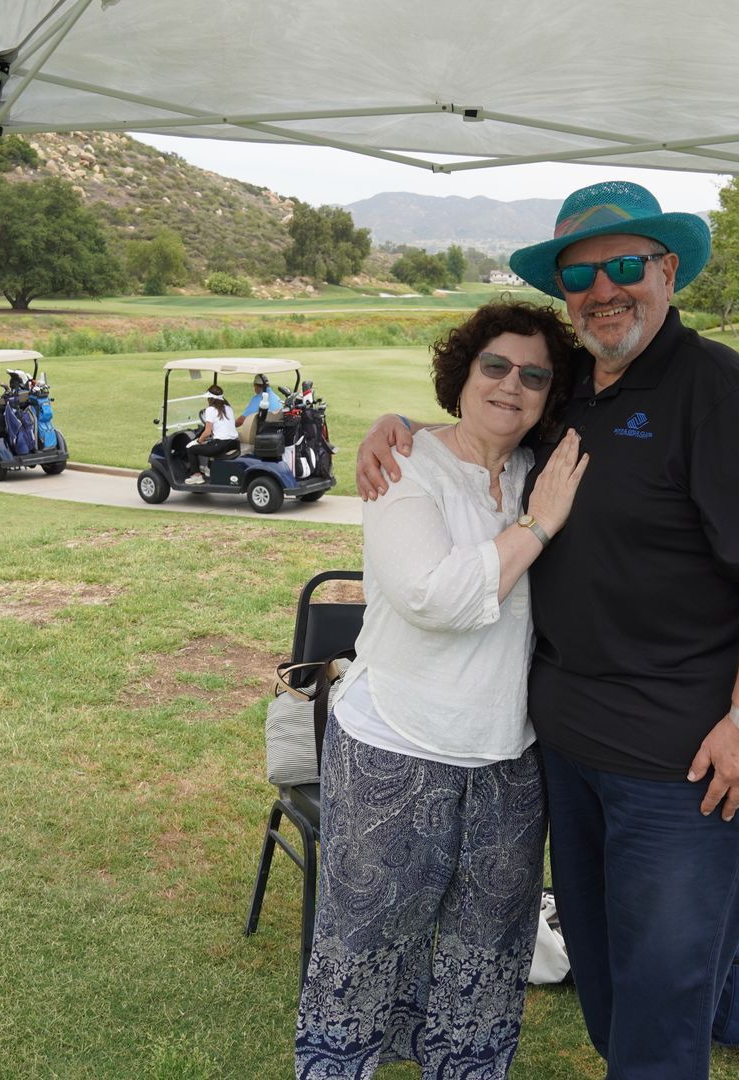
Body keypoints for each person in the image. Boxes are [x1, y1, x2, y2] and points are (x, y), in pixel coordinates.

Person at [354, 181, 739, 1079]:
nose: (604, 290)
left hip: (689, 759)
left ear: (667, 269)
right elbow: (494, 415)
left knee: (664, 990)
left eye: (624, 265)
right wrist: (401, 427)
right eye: (579, 274)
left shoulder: (721, 393)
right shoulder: (573, 386)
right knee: (604, 976)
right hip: (570, 748)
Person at [297, 301, 589, 1080]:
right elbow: (436, 597)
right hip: (394, 748)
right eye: (495, 365)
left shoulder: (537, 471)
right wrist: (538, 527)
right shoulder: (406, 469)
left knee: (485, 965)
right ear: (462, 374)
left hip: (506, 762)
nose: (511, 385)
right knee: (363, 953)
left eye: (534, 376)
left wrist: (534, 504)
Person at [185, 386, 239, 483]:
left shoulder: (210, 410)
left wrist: (197, 441)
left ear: (211, 399)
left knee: (191, 449)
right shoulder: (228, 408)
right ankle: (208, 468)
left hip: (221, 445)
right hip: (234, 443)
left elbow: (207, 432)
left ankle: (197, 476)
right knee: (210, 444)